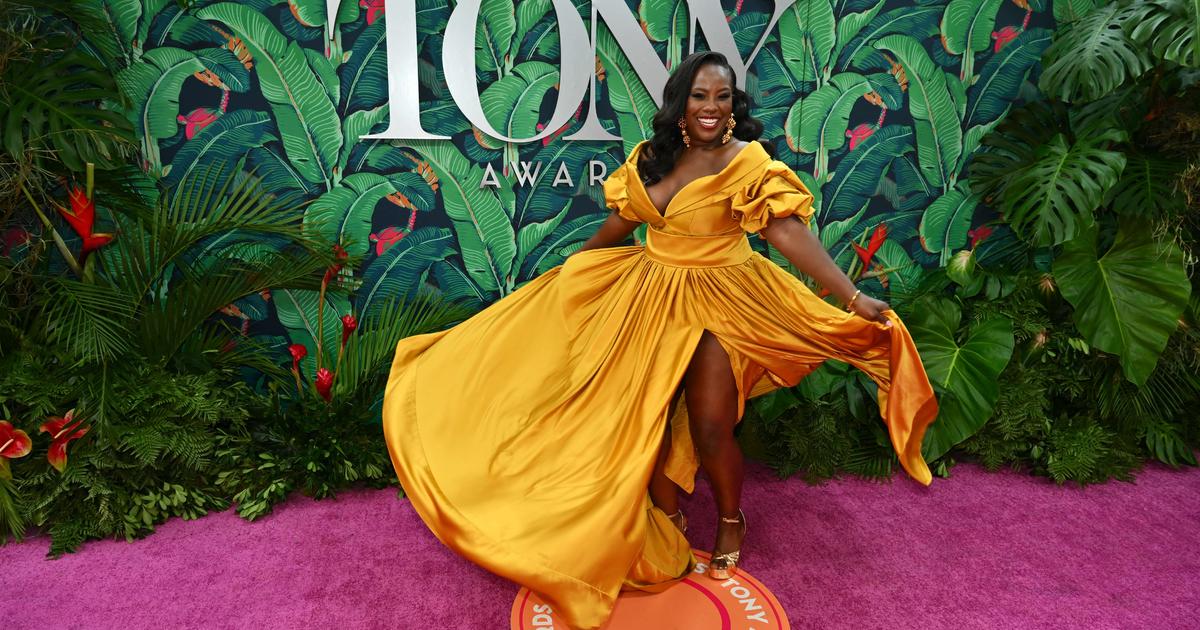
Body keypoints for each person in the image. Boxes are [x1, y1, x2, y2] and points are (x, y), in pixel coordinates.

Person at [381, 51, 938, 630]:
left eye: (723, 97)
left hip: (721, 297)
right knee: (638, 415)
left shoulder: (746, 162)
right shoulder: (652, 158)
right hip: (648, 293)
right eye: (701, 96)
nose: (712, 108)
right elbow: (621, 225)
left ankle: (728, 518)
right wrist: (574, 271)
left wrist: (851, 297)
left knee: (710, 423)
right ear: (680, 102)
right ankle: (664, 515)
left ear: (734, 105)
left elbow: (786, 231)